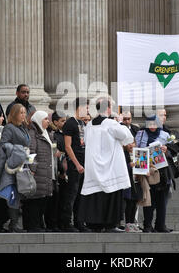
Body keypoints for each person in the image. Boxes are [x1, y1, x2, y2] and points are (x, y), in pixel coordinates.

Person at [78, 98, 134, 233]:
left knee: (96, 195)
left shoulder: (90, 124)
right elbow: (127, 136)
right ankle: (110, 224)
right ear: (108, 109)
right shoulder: (111, 123)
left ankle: (95, 224)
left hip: (94, 165)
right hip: (110, 165)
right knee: (112, 193)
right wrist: (120, 122)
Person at [135, 115, 173, 233]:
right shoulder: (140, 134)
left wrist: (167, 150)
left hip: (162, 171)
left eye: (154, 124)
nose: (152, 127)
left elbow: (174, 150)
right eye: (149, 124)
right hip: (147, 171)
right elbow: (136, 150)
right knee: (148, 198)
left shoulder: (165, 135)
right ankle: (147, 225)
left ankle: (160, 224)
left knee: (162, 200)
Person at [58, 98, 89, 232]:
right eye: (86, 108)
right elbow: (68, 147)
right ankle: (66, 222)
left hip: (84, 163)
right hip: (74, 164)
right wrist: (77, 164)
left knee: (81, 195)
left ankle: (79, 221)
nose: (88, 110)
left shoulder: (82, 123)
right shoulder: (70, 124)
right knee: (72, 194)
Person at [0, 104, 31, 233]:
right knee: (13, 194)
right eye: (21, 113)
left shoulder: (23, 128)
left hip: (23, 165)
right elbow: (3, 144)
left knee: (21, 193)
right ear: (14, 114)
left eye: (25, 113)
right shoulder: (9, 128)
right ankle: (13, 223)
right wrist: (19, 150)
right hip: (11, 166)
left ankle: (15, 223)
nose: (24, 115)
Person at [23, 111, 54, 232]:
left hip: (45, 171)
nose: (48, 121)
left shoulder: (46, 132)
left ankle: (38, 224)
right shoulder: (33, 133)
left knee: (42, 199)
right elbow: (31, 153)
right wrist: (32, 169)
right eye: (45, 119)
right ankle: (32, 225)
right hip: (36, 172)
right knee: (34, 200)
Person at [49, 111, 67, 232]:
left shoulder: (66, 134)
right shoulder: (54, 135)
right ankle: (53, 223)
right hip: (56, 169)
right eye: (62, 121)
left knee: (64, 199)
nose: (65, 123)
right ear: (55, 122)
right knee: (56, 199)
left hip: (65, 169)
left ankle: (64, 222)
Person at [123, 141, 142, 233]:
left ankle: (133, 224)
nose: (131, 145)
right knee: (129, 204)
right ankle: (128, 224)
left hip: (137, 182)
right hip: (128, 183)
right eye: (128, 143)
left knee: (134, 203)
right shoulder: (124, 154)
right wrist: (129, 166)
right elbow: (121, 167)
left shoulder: (139, 154)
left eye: (132, 143)